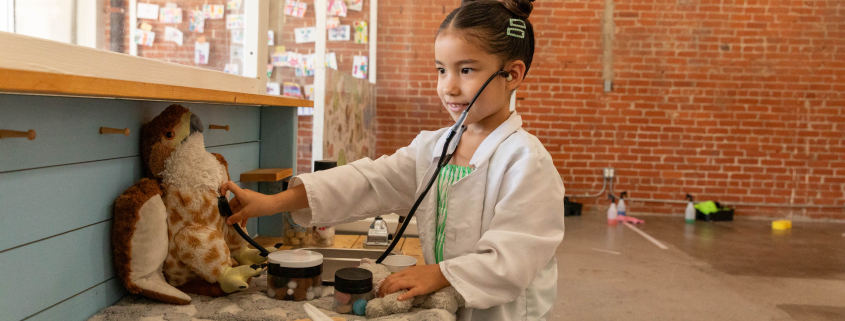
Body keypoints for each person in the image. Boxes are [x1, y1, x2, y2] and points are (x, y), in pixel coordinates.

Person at [221, 0, 565, 319]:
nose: (449, 87)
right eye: (441, 70)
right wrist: (270, 203)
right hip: (445, 302)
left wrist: (437, 273)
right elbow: (367, 182)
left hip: (505, 313)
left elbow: (514, 259)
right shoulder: (434, 147)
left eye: (467, 70)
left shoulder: (527, 162)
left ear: (513, 74)